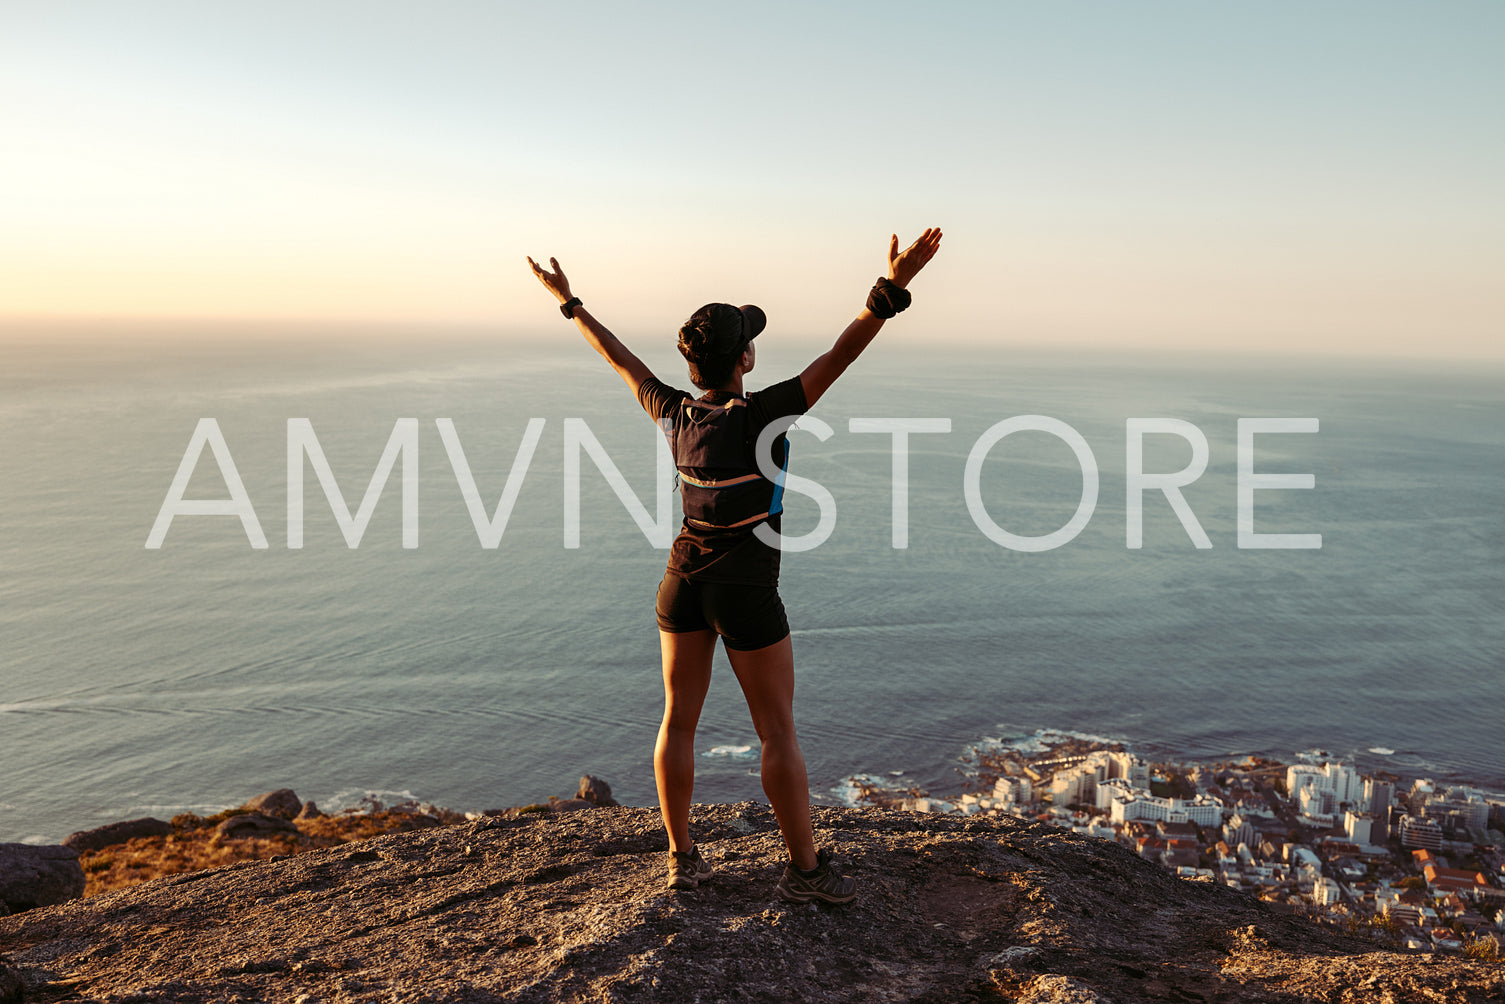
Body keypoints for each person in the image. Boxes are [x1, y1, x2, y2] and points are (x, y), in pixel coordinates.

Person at [527, 228, 942, 902]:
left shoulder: (672, 411)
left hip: (680, 582)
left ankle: (680, 856)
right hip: (747, 589)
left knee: (676, 722)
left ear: (693, 365)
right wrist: (890, 288)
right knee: (776, 731)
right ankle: (806, 871)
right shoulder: (765, 414)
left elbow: (620, 361)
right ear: (743, 359)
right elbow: (843, 352)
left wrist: (571, 305)